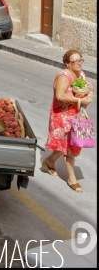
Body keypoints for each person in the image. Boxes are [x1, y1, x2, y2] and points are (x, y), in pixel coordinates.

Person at [43, 49, 94, 193]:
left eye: (80, 60)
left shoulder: (81, 75)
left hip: (76, 115)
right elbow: (60, 95)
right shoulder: (63, 76)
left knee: (66, 146)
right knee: (68, 148)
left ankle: (49, 161)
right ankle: (72, 179)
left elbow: (85, 95)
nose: (79, 64)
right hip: (62, 116)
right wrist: (79, 99)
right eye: (75, 61)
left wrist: (90, 89)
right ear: (67, 63)